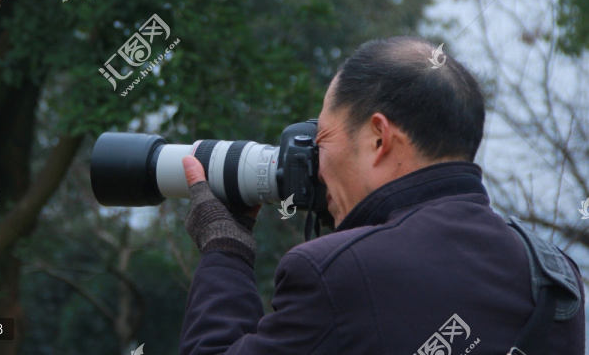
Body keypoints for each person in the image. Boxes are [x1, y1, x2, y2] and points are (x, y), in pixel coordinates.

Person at [179, 36, 584, 354]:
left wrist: (224, 249)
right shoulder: (551, 273)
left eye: (321, 137)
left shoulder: (337, 274)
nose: (315, 162)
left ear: (378, 138)